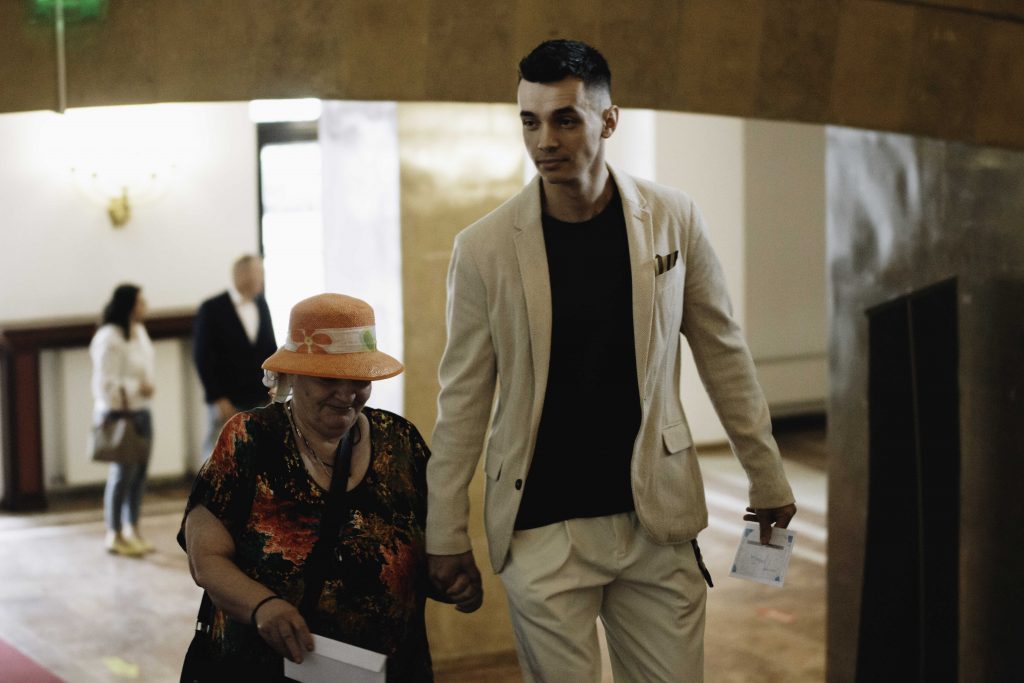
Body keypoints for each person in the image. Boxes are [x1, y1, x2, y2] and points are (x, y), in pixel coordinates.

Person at [426, 39, 798, 682]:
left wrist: (766, 476)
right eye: (530, 120)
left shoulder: (673, 218)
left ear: (608, 120)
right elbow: (462, 400)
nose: (546, 139)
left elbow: (723, 354)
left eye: (565, 118)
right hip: (542, 528)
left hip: (657, 519)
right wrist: (444, 531)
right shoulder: (483, 248)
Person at [179, 293, 463, 683]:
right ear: (293, 375)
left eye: (360, 379)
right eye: (328, 378)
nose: (347, 394)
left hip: (383, 670)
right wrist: (263, 606)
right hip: (266, 668)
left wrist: (450, 578)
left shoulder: (400, 442)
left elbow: (428, 545)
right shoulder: (250, 440)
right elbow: (205, 558)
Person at [89, 283, 156, 556]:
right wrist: (135, 389)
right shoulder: (109, 337)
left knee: (139, 474)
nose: (145, 306)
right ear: (129, 305)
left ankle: (133, 528)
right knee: (121, 475)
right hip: (119, 413)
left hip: (142, 411)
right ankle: (114, 532)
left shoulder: (138, 331)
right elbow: (104, 384)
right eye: (141, 302)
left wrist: (145, 388)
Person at [193, 254, 277, 459]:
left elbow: (270, 349)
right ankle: (210, 491)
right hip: (227, 397)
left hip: (259, 394)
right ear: (243, 275)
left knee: (258, 452)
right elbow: (203, 356)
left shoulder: (261, 305)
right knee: (219, 452)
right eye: (259, 273)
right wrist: (217, 398)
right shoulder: (212, 308)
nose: (262, 279)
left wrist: (275, 383)